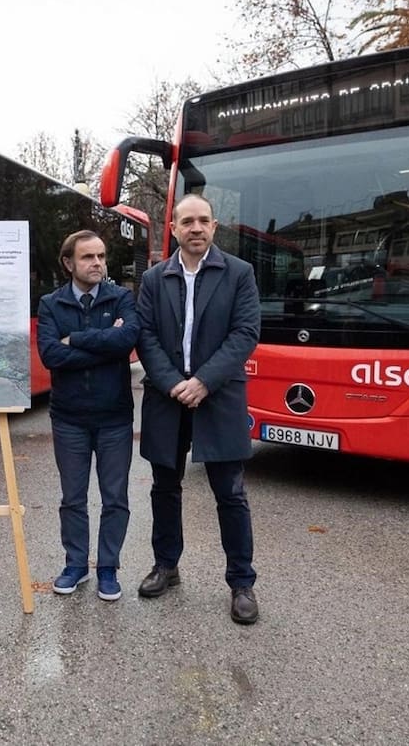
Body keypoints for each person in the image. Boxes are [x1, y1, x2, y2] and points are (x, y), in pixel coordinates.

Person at [135, 194, 261, 624]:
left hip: (219, 397)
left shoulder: (239, 274)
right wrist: (174, 383)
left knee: (230, 493)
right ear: (173, 228)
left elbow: (245, 333)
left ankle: (242, 583)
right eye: (187, 221)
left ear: (214, 226)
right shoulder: (154, 279)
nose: (196, 228)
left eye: (203, 220)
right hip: (167, 399)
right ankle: (166, 566)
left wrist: (204, 381)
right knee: (164, 488)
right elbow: (146, 336)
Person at [36, 230, 139, 601]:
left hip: (114, 417)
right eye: (88, 257)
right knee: (73, 498)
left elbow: (127, 342)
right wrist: (104, 342)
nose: (97, 263)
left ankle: (108, 568)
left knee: (115, 498)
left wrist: (76, 339)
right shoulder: (51, 304)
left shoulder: (121, 297)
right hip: (69, 418)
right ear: (68, 263)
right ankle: (76, 565)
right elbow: (50, 355)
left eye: (101, 256)